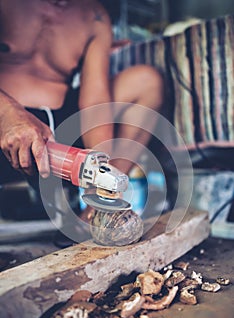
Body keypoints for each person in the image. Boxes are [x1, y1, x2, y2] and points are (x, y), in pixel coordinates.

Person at [0, 0, 163, 219]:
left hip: (60, 128)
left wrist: (100, 170)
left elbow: (95, 102)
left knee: (146, 82)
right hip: (5, 120)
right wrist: (8, 114)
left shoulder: (94, 16)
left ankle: (98, 204)